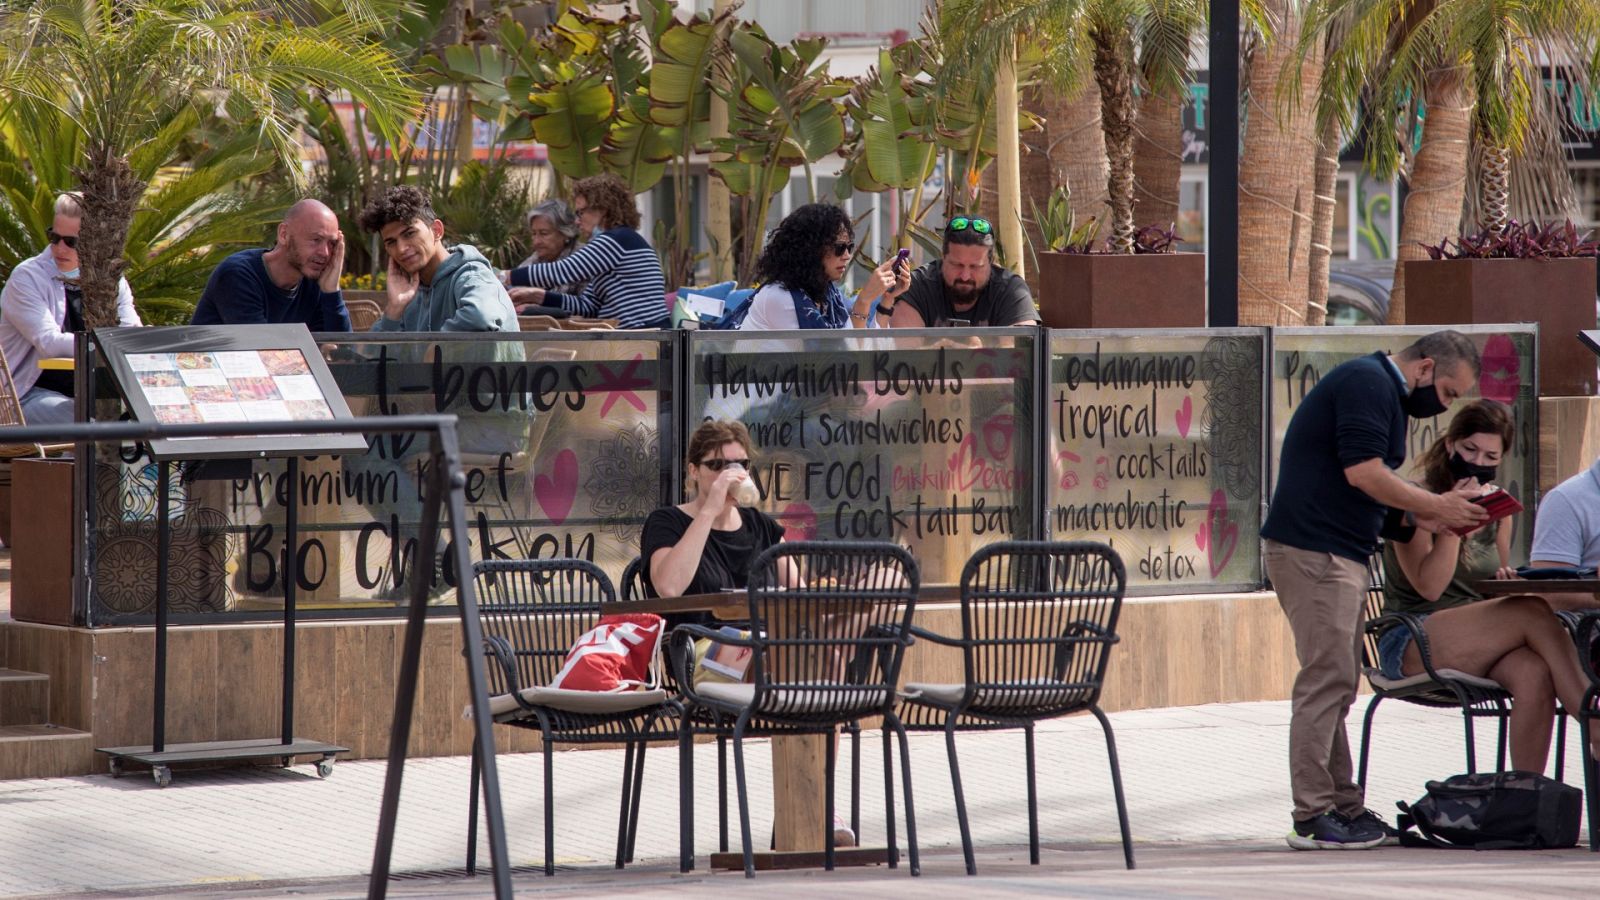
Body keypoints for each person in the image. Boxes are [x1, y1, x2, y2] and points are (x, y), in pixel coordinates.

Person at [1261, 330, 1488, 851]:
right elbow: (1363, 474)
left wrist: (1443, 516)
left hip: (1333, 551)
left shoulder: (1379, 390)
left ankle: (1344, 807)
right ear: (1426, 368)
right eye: (1450, 393)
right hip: (1316, 552)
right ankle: (1313, 814)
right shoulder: (1369, 383)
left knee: (1337, 681)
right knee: (1327, 681)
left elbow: (1375, 499)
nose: (1445, 406)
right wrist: (1435, 507)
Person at [1380, 399, 1597, 775]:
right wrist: (1453, 521)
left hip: (1475, 637)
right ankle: (1595, 724)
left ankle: (1525, 799)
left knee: (1534, 672)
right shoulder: (1417, 501)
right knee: (1531, 611)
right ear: (1450, 445)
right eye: (1469, 450)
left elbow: (1486, 588)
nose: (1478, 462)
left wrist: (1506, 580)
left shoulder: (1497, 508)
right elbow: (1429, 587)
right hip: (1411, 636)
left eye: (1490, 455)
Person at [0, 193, 142, 425]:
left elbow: (132, 331)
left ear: (97, 241)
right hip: (24, 396)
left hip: (94, 394)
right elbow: (50, 343)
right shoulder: (27, 277)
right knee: (94, 423)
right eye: (54, 237)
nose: (59, 248)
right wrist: (109, 344)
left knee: (152, 415)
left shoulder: (112, 280)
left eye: (71, 242)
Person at [641, 419, 792, 603]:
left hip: (757, 631)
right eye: (717, 465)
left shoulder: (762, 526)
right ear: (694, 470)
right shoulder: (666, 521)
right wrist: (709, 511)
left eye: (741, 464)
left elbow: (803, 598)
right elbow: (669, 588)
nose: (730, 473)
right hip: (695, 632)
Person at [501, 173, 664, 328]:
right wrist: (540, 296)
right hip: (634, 335)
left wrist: (505, 276)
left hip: (646, 335)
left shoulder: (618, 239)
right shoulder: (616, 244)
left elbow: (563, 271)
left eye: (581, 212)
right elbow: (588, 306)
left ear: (603, 209)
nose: (577, 221)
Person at [358, 186, 519, 333]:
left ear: (436, 230)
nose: (401, 249)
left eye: (409, 234)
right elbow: (370, 356)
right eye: (391, 242)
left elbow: (481, 316)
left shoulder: (472, 275)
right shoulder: (410, 294)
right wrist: (395, 308)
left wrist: (435, 348)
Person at [735, 203, 905, 330]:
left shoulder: (828, 295)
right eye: (839, 248)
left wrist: (887, 300)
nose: (847, 255)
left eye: (849, 247)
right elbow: (839, 361)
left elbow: (870, 353)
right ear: (811, 250)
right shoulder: (779, 297)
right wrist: (864, 301)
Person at [190, 198, 351, 330]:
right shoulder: (238, 275)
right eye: (316, 240)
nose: (325, 253)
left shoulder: (314, 283)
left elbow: (344, 355)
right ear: (283, 234)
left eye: (332, 243)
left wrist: (331, 292)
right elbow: (263, 351)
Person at [889, 216, 1038, 328]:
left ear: (991, 263)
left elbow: (1022, 353)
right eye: (956, 265)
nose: (965, 276)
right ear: (943, 258)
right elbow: (908, 354)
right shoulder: (917, 288)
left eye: (975, 267)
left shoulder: (1011, 289)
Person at [510, 198, 587, 311]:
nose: (536, 241)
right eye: (534, 234)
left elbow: (587, 308)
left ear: (565, 233)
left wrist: (539, 309)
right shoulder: (535, 260)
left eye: (544, 233)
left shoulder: (584, 259)